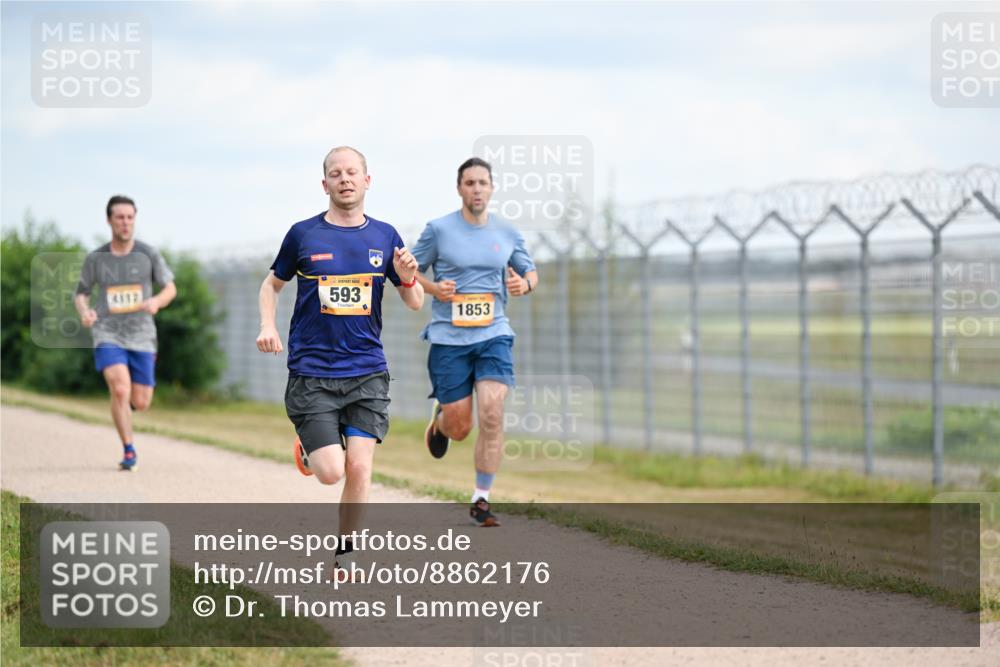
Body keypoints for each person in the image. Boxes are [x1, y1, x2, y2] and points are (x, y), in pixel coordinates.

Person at [256, 146, 423, 568]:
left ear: (368, 180)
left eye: (352, 172)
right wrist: (268, 326)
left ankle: (347, 551)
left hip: (367, 371)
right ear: (324, 183)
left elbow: (416, 300)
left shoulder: (386, 236)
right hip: (312, 372)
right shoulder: (303, 234)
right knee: (331, 472)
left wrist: (407, 277)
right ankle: (311, 450)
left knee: (360, 468)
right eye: (336, 173)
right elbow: (271, 285)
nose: (344, 179)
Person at [412, 157, 539, 527]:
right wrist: (435, 288)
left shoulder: (508, 233)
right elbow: (408, 271)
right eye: (470, 183)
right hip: (448, 340)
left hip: (493, 334)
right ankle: (440, 425)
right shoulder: (438, 230)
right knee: (461, 426)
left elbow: (530, 272)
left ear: (492, 188)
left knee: (493, 412)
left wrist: (524, 284)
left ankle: (481, 498)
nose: (477, 189)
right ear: (459, 188)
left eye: (483, 183)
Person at [75, 195, 177, 471]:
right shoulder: (96, 258)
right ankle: (129, 449)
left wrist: (156, 301)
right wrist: (85, 311)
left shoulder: (148, 254)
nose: (125, 222)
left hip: (142, 334)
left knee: (140, 401)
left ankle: (123, 407)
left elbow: (170, 288)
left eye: (130, 217)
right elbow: (81, 294)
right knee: (120, 388)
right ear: (109, 220)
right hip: (107, 331)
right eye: (119, 217)